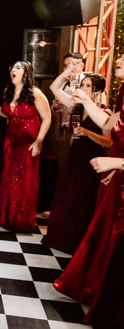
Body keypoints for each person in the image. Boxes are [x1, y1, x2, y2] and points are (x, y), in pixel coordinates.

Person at [54, 56, 124, 310]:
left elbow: (106, 132)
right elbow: (108, 123)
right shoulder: (121, 98)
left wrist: (117, 164)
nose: (119, 58)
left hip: (112, 168)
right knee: (105, 234)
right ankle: (99, 289)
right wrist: (83, 99)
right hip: (114, 173)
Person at [43, 55, 110, 253]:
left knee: (82, 199)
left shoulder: (103, 111)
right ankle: (62, 236)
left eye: (87, 86)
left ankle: (79, 241)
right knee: (67, 196)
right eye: (83, 84)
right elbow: (54, 88)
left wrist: (89, 132)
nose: (83, 88)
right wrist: (69, 71)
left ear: (97, 90)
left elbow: (108, 142)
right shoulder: (76, 106)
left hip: (91, 158)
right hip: (75, 155)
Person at [0, 60, 51, 233]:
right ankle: (6, 215)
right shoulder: (9, 91)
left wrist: (39, 140)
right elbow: (8, 114)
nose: (13, 70)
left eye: (18, 68)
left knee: (24, 179)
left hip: (29, 143)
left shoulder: (35, 93)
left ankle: (20, 219)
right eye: (12, 67)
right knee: (9, 177)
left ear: (26, 73)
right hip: (11, 141)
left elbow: (47, 118)